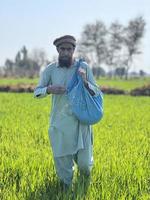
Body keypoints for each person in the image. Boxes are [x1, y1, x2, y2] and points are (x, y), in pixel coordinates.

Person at [34, 35, 100, 191]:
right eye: (62, 49)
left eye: (69, 49)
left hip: (81, 123)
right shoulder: (50, 69)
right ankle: (65, 191)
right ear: (57, 50)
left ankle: (84, 188)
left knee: (84, 165)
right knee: (63, 167)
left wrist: (84, 81)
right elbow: (37, 91)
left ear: (73, 50)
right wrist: (49, 89)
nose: (65, 52)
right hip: (60, 124)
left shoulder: (83, 67)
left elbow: (96, 92)